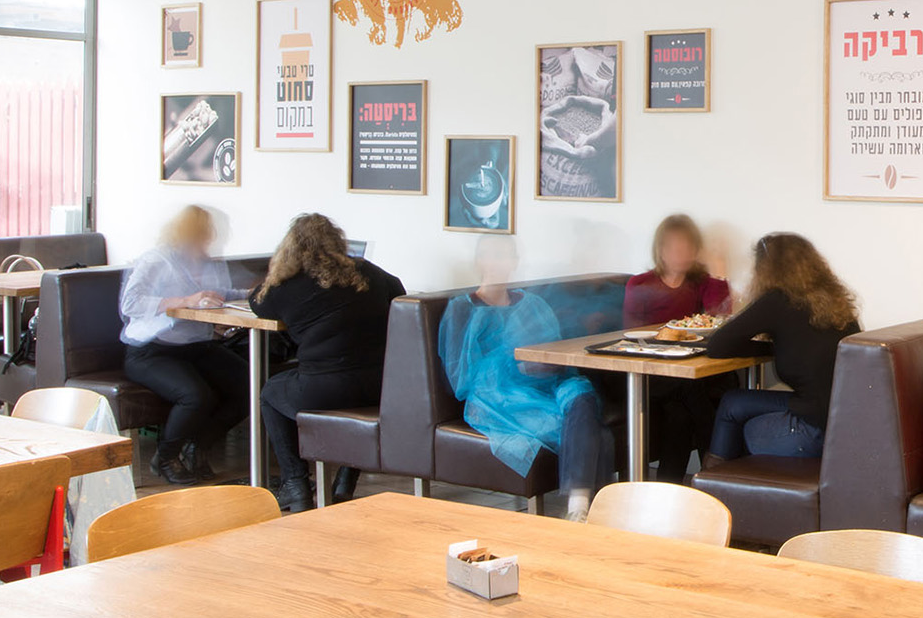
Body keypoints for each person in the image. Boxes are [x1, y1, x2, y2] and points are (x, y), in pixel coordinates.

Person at [438, 237, 614, 520]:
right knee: (599, 434)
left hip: (546, 384)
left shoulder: (532, 303)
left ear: (515, 262)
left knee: (582, 392)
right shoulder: (462, 308)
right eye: (491, 255)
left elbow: (553, 349)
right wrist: (515, 366)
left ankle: (581, 509)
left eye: (504, 256)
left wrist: (545, 365)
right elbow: (461, 376)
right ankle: (581, 509)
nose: (498, 263)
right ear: (478, 261)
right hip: (498, 396)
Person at [249, 214, 406, 513]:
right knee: (354, 405)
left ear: (291, 248)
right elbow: (399, 293)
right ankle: (345, 483)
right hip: (379, 386)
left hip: (323, 388)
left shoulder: (287, 284)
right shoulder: (369, 273)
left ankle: (295, 485)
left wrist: (277, 273)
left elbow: (257, 302)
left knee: (271, 392)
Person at [118, 205, 250, 486]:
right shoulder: (156, 260)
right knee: (195, 395)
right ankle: (165, 457)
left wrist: (251, 295)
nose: (207, 242)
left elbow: (219, 294)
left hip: (196, 346)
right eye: (203, 235)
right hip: (151, 350)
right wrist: (184, 301)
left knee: (250, 385)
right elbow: (130, 303)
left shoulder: (207, 262)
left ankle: (197, 445)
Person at [700, 233, 859, 463]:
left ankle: (717, 487)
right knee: (732, 402)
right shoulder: (835, 302)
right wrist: (774, 347)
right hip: (839, 425)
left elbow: (717, 346)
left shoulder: (777, 300)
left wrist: (767, 348)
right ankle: (716, 483)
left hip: (812, 433)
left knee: (745, 427)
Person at [624, 214, 734, 480]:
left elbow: (719, 318)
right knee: (690, 389)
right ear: (660, 250)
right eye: (674, 246)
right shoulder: (640, 284)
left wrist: (718, 271)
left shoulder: (700, 283)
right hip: (650, 372)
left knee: (680, 416)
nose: (681, 253)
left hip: (688, 371)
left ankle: (667, 490)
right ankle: (718, 468)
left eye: (688, 247)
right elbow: (630, 332)